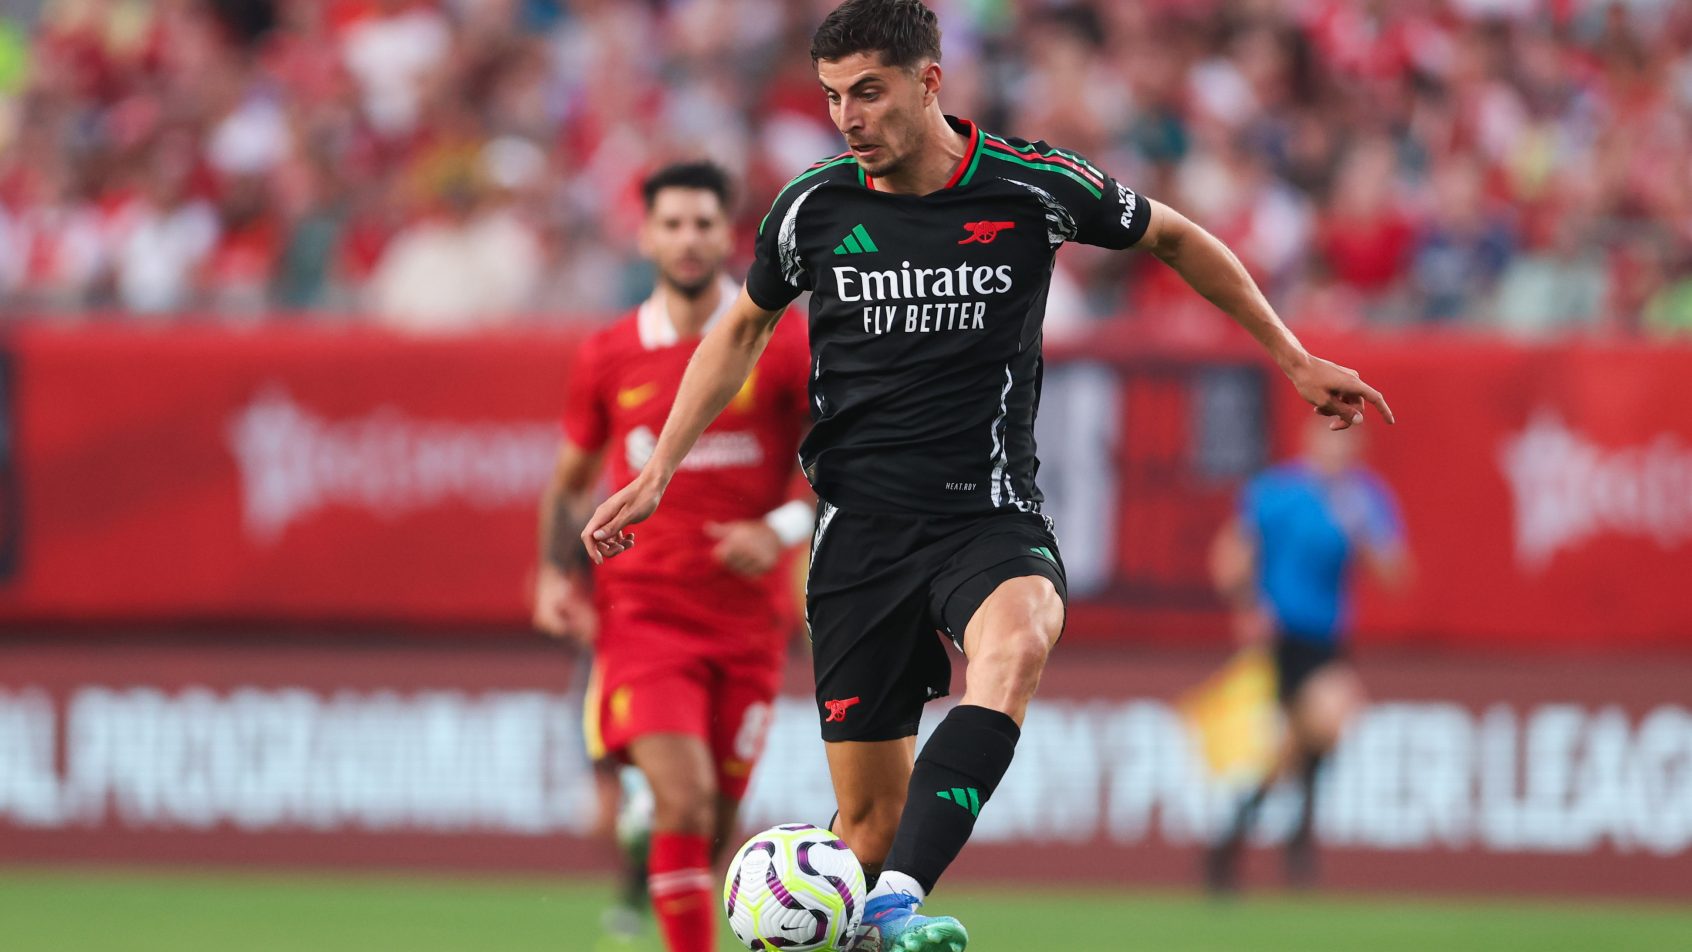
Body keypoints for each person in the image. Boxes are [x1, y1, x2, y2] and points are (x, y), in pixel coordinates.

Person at [581, 4, 1395, 949]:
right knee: (870, 830)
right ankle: (872, 906)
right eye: (834, 96)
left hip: (987, 515)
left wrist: (1293, 357)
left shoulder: (1031, 185)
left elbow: (1176, 238)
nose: (848, 117)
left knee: (1020, 636)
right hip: (860, 537)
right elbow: (742, 329)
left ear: (929, 81)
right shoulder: (813, 207)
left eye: (868, 92)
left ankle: (897, 900)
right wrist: (660, 469)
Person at [533, 161, 813, 952]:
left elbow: (834, 460)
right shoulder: (608, 353)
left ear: (729, 235)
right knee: (686, 801)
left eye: (703, 224)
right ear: (647, 237)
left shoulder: (782, 342)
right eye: (673, 224)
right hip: (643, 614)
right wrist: (552, 573)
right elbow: (570, 482)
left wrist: (780, 530)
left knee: (712, 824)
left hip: (749, 623)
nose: (689, 239)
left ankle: (647, 831)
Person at [1204, 416, 1411, 894]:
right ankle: (1295, 835)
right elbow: (1229, 559)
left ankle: (1234, 836)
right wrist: (1249, 607)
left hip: (1327, 641)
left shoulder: (1365, 498)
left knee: (1294, 746)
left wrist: (1364, 531)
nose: (1338, 449)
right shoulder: (1277, 493)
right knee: (1328, 719)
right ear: (1309, 440)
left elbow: (1396, 576)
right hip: (1281, 639)